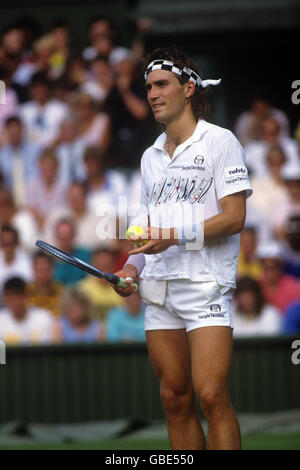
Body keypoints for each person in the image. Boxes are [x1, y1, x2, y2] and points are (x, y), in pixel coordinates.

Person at [113, 46, 253, 450]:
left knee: (211, 394)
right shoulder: (149, 157)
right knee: (174, 400)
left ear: (189, 88)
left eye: (161, 85)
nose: (152, 94)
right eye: (148, 87)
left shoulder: (221, 141)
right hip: (158, 288)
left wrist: (172, 236)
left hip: (205, 284)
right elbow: (142, 231)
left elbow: (234, 218)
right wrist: (131, 269)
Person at [0, 277, 55, 344]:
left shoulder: (45, 318)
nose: (15, 302)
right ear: (5, 299)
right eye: (11, 297)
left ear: (27, 296)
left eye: (18, 296)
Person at [257, 242, 300, 314]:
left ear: (280, 267)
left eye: (273, 269)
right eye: (266, 269)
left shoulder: (292, 286)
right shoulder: (256, 284)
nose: (269, 274)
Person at [26, 251, 64, 317]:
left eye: (46, 269)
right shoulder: (25, 292)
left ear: (52, 269)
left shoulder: (61, 292)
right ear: (33, 269)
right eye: (40, 269)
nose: (43, 273)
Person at [0, 225, 33, 300]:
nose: (8, 248)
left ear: (17, 243)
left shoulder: (27, 264)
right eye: (5, 244)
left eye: (10, 243)